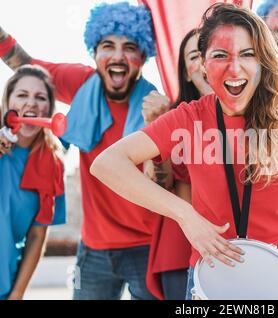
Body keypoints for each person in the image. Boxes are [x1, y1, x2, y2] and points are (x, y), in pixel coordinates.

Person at [90, 3, 278, 301]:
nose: (234, 68)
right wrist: (185, 216)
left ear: (263, 61)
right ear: (204, 64)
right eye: (220, 55)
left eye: (247, 55)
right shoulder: (189, 116)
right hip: (210, 276)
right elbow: (107, 164)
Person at [0, 2, 169, 300]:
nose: (118, 56)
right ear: (94, 52)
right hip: (94, 249)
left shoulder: (155, 106)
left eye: (130, 47)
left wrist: (159, 126)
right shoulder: (82, 84)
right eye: (108, 46)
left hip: (148, 246)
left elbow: (164, 181)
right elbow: (26, 68)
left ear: (143, 56)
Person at [144, 28, 213, 300]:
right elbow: (157, 185)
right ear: (186, 72)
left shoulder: (250, 122)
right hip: (181, 248)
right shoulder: (173, 119)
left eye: (214, 53)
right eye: (196, 56)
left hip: (236, 246)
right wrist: (154, 129)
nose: (206, 62)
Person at [0, 65, 66, 300]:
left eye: (40, 97)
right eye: (22, 95)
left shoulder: (53, 165)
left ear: (49, 108)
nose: (31, 104)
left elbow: (37, 236)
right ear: (7, 102)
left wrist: (17, 294)